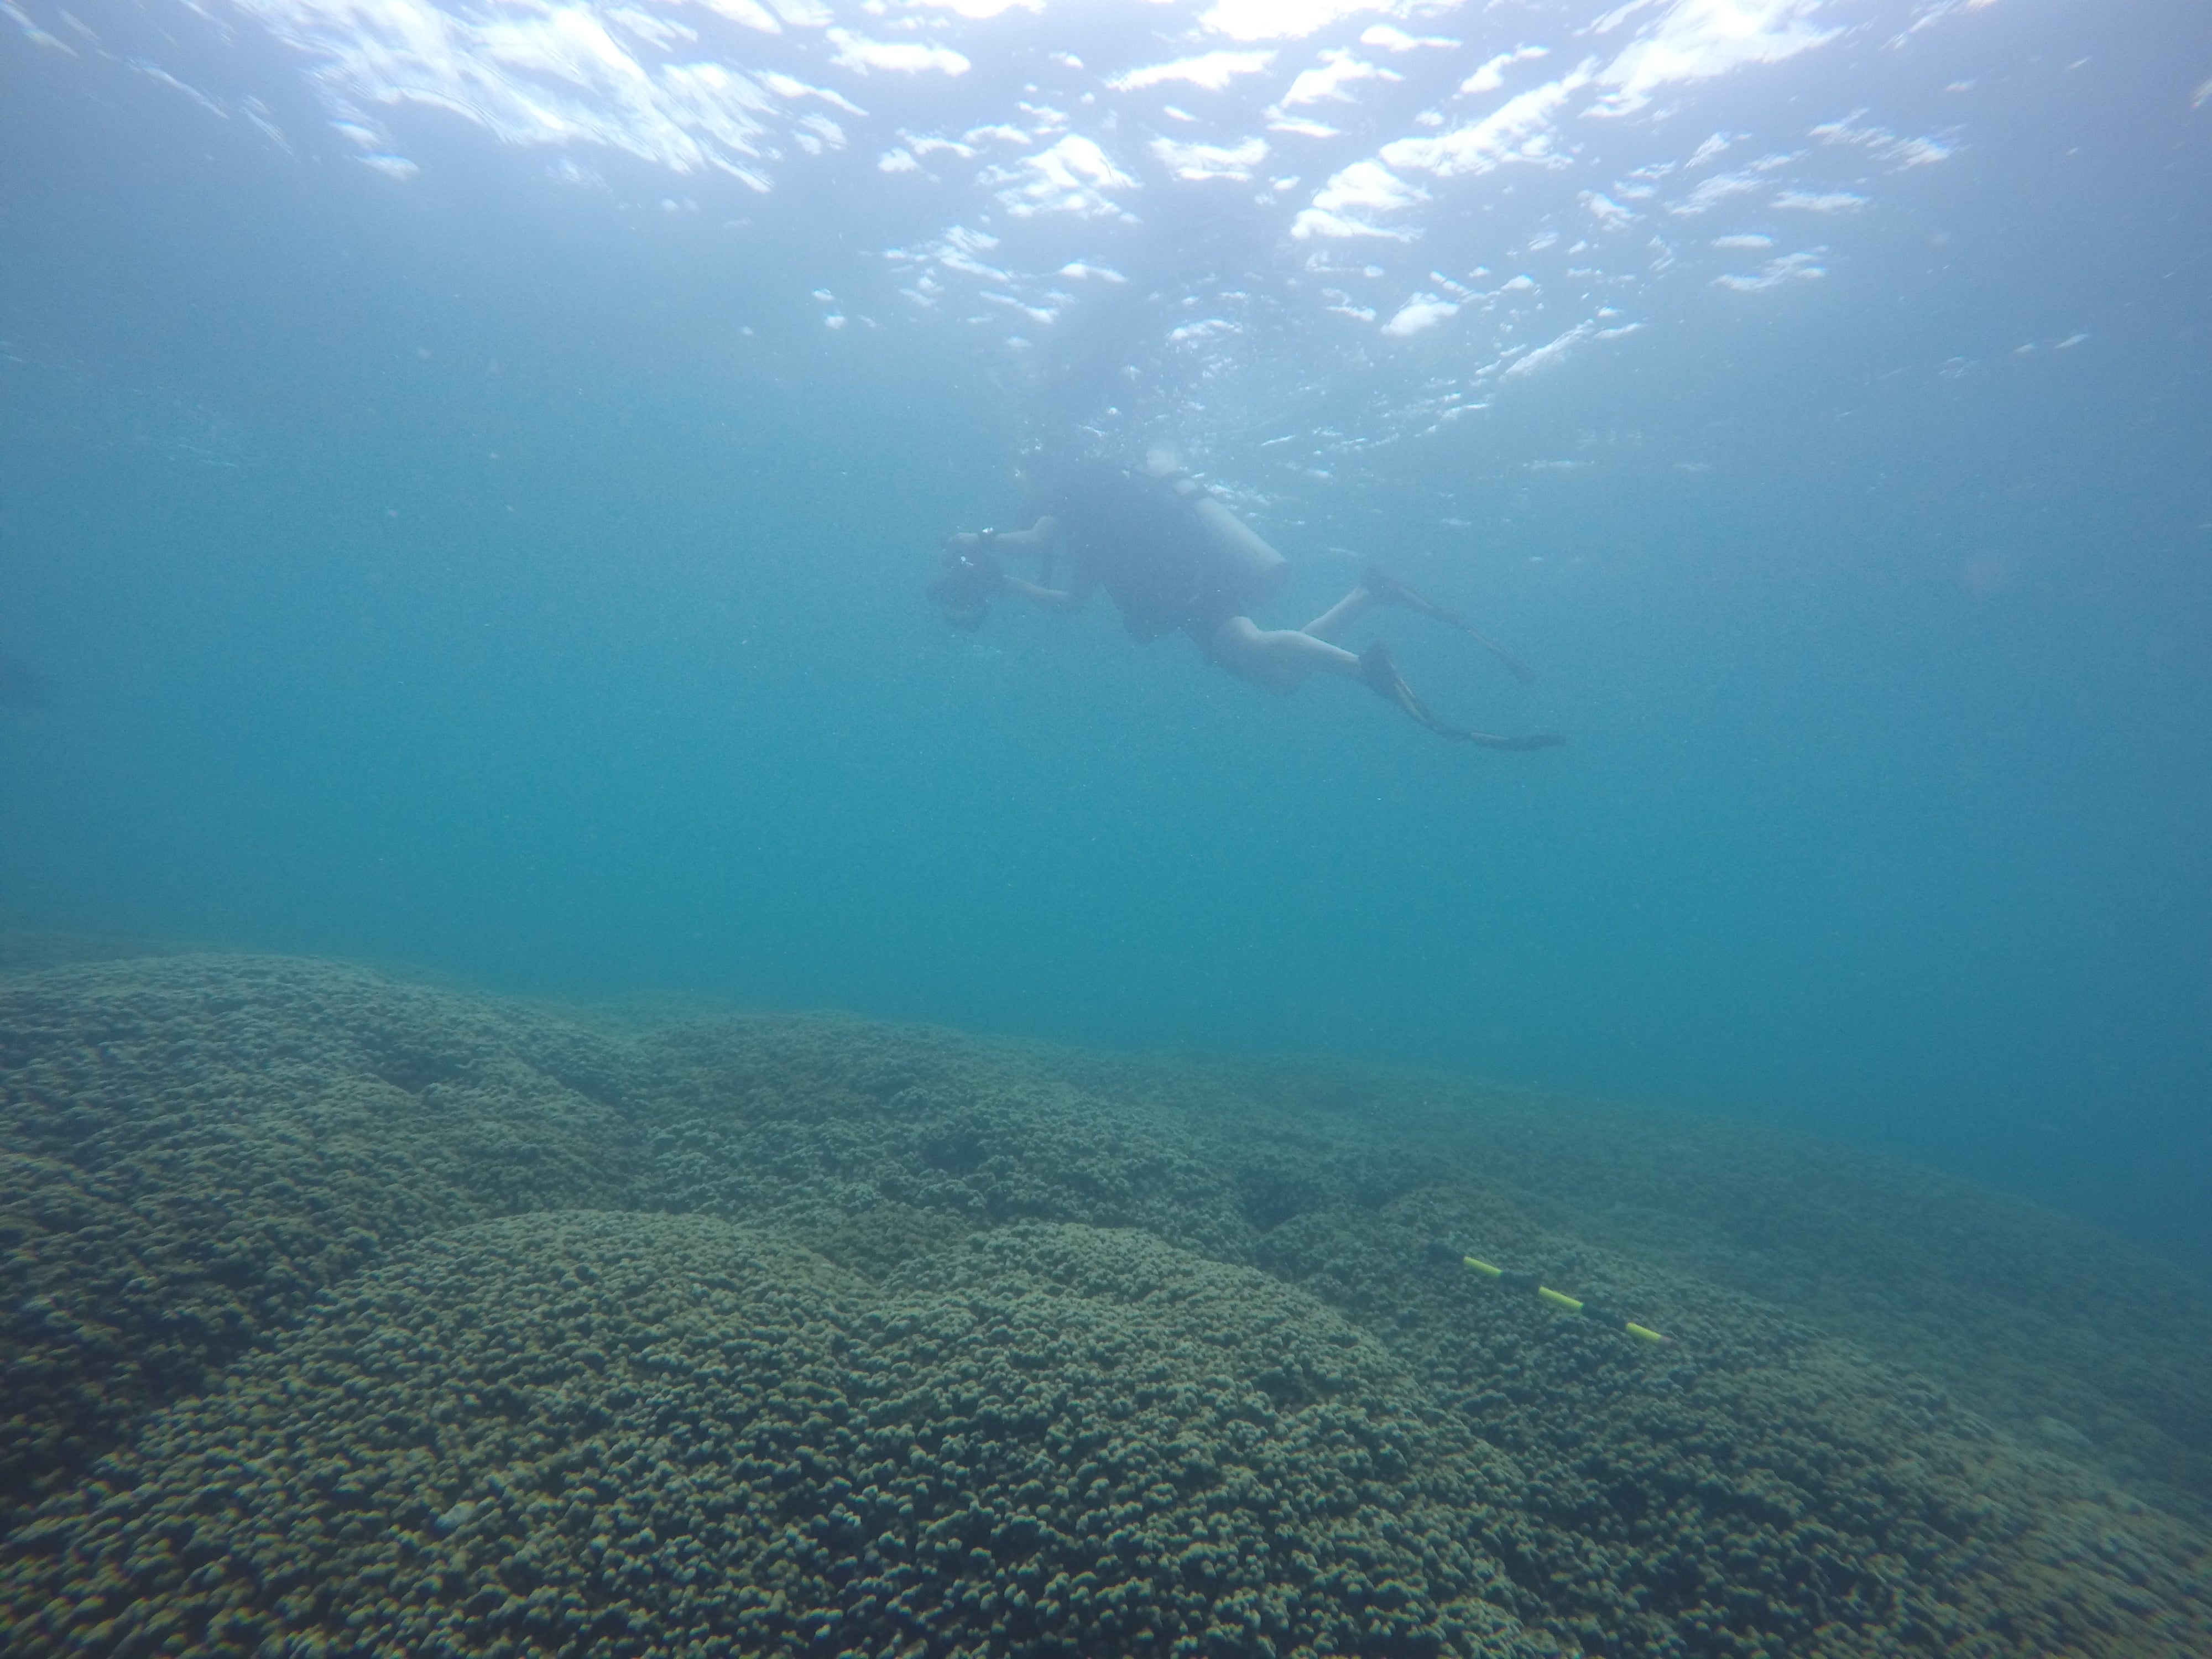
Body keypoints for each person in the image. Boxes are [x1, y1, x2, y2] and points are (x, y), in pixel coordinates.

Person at [929, 450, 1565, 750]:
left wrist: (975, 538)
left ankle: (1364, 669)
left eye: (1024, 483)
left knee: (1257, 648)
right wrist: (1007, 585)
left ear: (1043, 472)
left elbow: (1034, 535)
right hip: (1182, 592)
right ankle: (1369, 595)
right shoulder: (1095, 526)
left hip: (1185, 586)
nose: (1026, 496)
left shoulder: (1073, 489)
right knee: (1280, 678)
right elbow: (1070, 604)